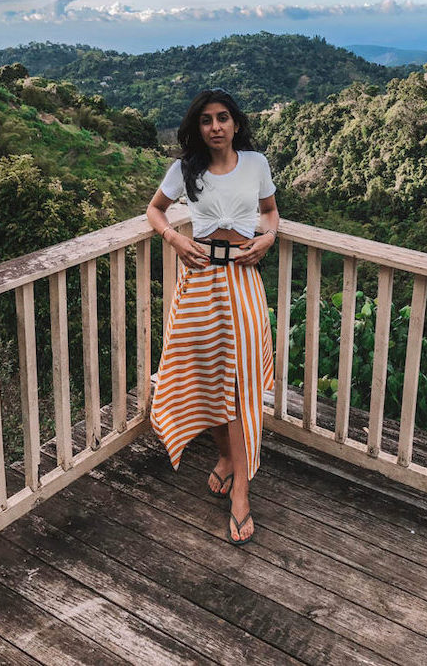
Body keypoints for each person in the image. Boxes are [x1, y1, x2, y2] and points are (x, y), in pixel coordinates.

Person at [146, 89, 279, 545]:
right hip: (199, 284)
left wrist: (268, 239)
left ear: (235, 124)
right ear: (198, 127)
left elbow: (269, 212)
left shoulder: (256, 164)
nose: (216, 126)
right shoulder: (186, 169)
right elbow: (155, 211)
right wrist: (174, 240)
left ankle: (241, 490)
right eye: (207, 120)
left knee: (240, 386)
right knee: (208, 379)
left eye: (223, 118)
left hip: (242, 284)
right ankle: (225, 458)